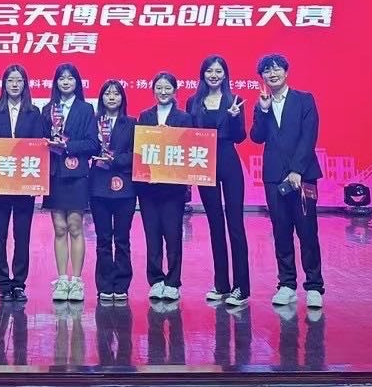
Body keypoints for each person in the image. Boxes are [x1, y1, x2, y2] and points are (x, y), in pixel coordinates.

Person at [251, 52, 325, 310]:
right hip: (274, 178)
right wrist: (262, 110)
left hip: (303, 177)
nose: (272, 74)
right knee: (281, 231)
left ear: (286, 71)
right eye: (267, 71)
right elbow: (257, 137)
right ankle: (287, 285)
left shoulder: (304, 100)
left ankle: (314, 286)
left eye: (276, 69)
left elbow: (309, 136)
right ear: (262, 77)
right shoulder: (262, 104)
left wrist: (297, 170)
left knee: (307, 232)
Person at [186, 55, 252, 308]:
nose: (214, 75)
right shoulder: (193, 101)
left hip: (228, 162)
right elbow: (188, 135)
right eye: (209, 71)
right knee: (215, 224)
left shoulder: (234, 100)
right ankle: (222, 284)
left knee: (235, 224)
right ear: (203, 74)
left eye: (219, 71)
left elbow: (240, 136)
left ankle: (241, 288)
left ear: (225, 75)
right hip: (204, 163)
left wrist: (234, 117)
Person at [0, 64, 46, 303]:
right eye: (10, 81)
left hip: (24, 185)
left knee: (22, 235)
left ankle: (19, 282)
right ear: (4, 85)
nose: (15, 85)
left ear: (25, 84)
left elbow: (39, 147)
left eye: (19, 80)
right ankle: (2, 282)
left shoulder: (34, 113)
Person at [42, 62, 98, 302]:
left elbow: (93, 144)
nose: (66, 82)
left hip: (76, 174)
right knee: (59, 227)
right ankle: (62, 280)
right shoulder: (47, 109)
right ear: (56, 82)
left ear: (77, 82)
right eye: (61, 78)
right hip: (54, 174)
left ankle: (76, 281)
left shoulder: (86, 109)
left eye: (70, 78)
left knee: (75, 226)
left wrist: (67, 146)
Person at [136, 71, 193, 302]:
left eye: (167, 87)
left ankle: (173, 282)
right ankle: (156, 280)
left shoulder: (184, 118)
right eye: (159, 87)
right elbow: (139, 149)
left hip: (173, 188)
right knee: (152, 235)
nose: (163, 91)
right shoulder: (144, 116)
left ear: (175, 91)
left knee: (172, 234)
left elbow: (189, 150)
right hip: (148, 188)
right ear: (153, 90)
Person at [89, 79, 137, 304]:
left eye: (116, 93)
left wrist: (115, 159)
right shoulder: (94, 122)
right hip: (98, 186)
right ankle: (104, 285)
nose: (111, 97)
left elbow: (137, 154)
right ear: (101, 98)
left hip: (125, 187)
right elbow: (89, 146)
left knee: (122, 238)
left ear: (122, 98)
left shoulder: (132, 123)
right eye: (107, 93)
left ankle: (122, 284)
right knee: (103, 238)